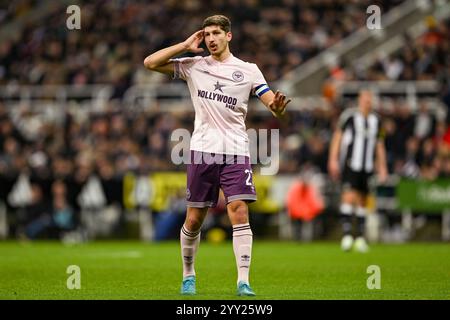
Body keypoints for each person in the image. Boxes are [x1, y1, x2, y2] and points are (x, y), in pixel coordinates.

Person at [143, 15, 291, 296]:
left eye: (215, 33)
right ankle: (189, 275)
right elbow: (150, 63)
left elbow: (271, 103)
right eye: (206, 34)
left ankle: (243, 281)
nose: (210, 39)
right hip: (202, 151)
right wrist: (186, 45)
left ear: (228, 36)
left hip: (236, 151)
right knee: (194, 219)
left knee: (239, 210)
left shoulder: (248, 70)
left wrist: (279, 109)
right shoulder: (194, 66)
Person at [328, 89, 387, 252]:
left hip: (367, 166)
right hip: (350, 163)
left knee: (363, 200)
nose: (367, 102)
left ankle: (360, 238)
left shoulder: (377, 121)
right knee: (348, 197)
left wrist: (382, 167)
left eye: (370, 100)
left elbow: (380, 144)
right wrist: (333, 160)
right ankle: (347, 235)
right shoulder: (349, 116)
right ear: (360, 100)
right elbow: (337, 137)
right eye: (365, 99)